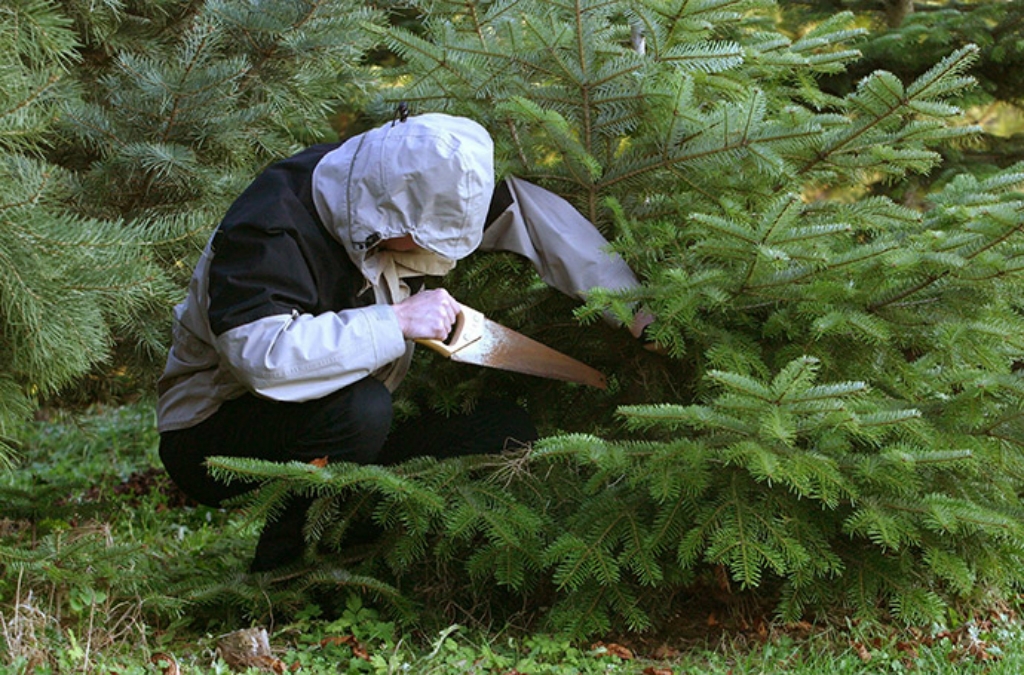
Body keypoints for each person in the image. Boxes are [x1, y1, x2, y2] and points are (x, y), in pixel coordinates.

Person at [156, 112, 651, 572]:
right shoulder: (270, 225)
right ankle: (287, 574)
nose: (434, 253)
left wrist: (641, 314)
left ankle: (365, 557)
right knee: (360, 411)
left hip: (338, 412)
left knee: (502, 428)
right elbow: (260, 358)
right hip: (213, 432)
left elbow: (530, 215)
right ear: (385, 217)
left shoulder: (420, 179)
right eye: (426, 240)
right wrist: (396, 322)